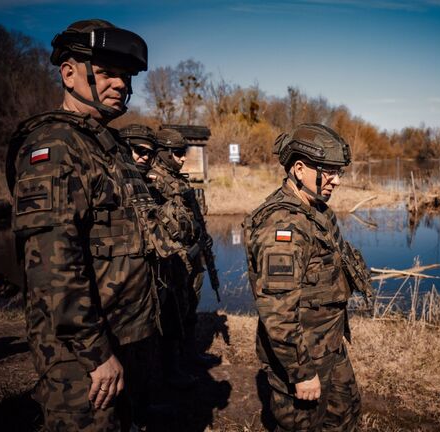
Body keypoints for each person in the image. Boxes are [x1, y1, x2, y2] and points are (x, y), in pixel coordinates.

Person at [6, 19, 162, 431]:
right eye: (108, 72)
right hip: (83, 358)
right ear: (69, 72)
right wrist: (96, 353)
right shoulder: (55, 146)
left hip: (120, 339)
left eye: (126, 76)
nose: (121, 85)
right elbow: (53, 267)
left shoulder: (99, 144)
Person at [243, 123, 373, 431]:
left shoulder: (317, 211)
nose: (336, 180)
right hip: (303, 355)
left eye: (338, 171)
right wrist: (301, 372)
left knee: (345, 414)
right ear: (299, 170)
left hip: (328, 343)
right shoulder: (282, 227)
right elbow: (278, 313)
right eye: (328, 171)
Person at [146, 128, 217, 370]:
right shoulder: (151, 181)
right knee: (172, 314)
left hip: (192, 254)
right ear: (165, 153)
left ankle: (189, 356)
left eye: (184, 152)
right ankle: (171, 368)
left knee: (190, 309)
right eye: (178, 153)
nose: (183, 157)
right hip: (172, 259)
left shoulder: (180, 180)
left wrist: (202, 240)